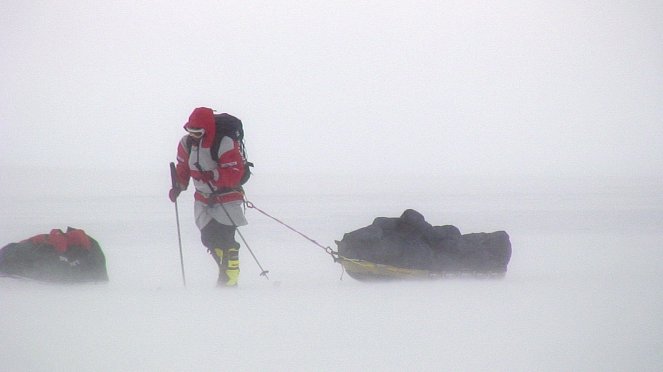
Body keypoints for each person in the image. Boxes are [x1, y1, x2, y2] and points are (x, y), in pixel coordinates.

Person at [169, 107, 247, 287]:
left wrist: (213, 175)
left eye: (198, 131)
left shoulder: (224, 142)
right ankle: (225, 269)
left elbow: (235, 171)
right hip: (202, 198)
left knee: (225, 237)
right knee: (208, 238)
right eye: (190, 130)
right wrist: (179, 187)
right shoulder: (186, 143)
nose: (194, 134)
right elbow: (183, 168)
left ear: (207, 128)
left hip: (227, 197)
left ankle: (230, 274)